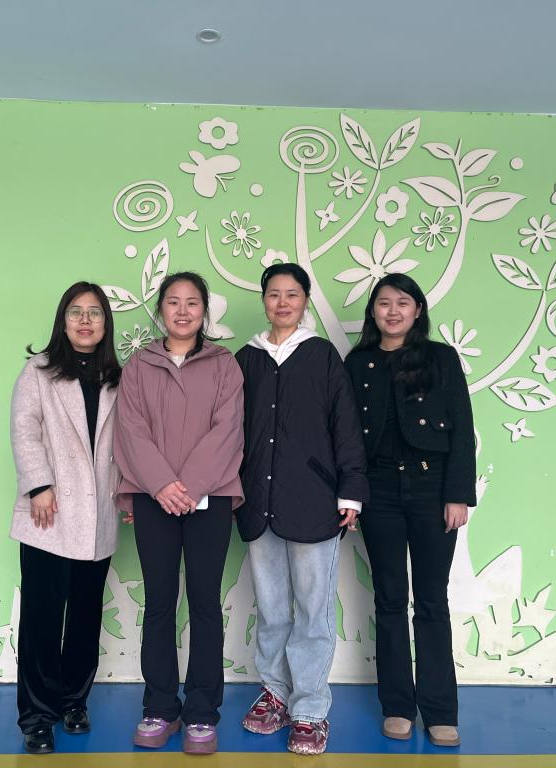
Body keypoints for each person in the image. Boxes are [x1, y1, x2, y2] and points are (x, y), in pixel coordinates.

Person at [235, 263, 368, 756]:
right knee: (271, 609)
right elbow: (228, 430)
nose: (282, 303)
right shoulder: (246, 358)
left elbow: (345, 424)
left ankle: (310, 709)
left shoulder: (322, 355)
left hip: (314, 500)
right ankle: (275, 693)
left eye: (292, 294)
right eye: (274, 294)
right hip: (258, 502)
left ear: (305, 301)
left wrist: (350, 491)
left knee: (313, 611)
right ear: (264, 300)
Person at [113, 271, 245, 755]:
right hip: (154, 498)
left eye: (192, 302)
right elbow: (130, 429)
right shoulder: (138, 366)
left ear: (204, 311)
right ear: (161, 310)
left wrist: (188, 486)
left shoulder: (224, 364)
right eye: (173, 302)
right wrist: (162, 485)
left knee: (205, 603)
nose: (183, 310)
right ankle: (160, 707)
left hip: (210, 499)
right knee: (160, 602)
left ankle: (202, 712)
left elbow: (228, 429)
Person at [344, 273, 476, 748]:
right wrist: (350, 495)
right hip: (378, 490)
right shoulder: (358, 362)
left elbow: (461, 426)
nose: (393, 311)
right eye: (384, 303)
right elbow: (345, 436)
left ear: (417, 310)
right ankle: (397, 707)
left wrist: (457, 494)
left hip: (431, 488)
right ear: (373, 311)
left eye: (403, 302)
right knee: (389, 599)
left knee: (433, 601)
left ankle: (440, 711)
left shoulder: (440, 358)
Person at [9, 281, 122, 755]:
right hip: (49, 512)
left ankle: (74, 701)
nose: (85, 320)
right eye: (76, 312)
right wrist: (38, 485)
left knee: (84, 615)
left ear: (105, 323)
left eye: (94, 312)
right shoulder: (38, 371)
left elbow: (128, 442)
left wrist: (128, 494)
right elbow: (24, 429)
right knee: (41, 618)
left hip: (98, 513)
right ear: (63, 320)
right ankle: (37, 717)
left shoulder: (117, 377)